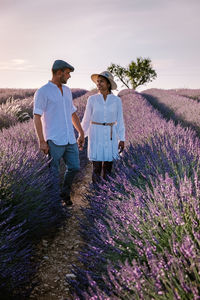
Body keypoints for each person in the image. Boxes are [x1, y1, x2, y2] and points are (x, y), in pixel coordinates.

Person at [33, 59, 84, 206]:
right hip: (54, 139)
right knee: (53, 174)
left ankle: (64, 193)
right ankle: (54, 203)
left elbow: (72, 113)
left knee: (75, 167)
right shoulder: (42, 91)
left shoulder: (67, 91)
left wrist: (80, 132)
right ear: (59, 72)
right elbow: (36, 117)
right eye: (67, 73)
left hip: (70, 138)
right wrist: (42, 141)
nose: (69, 76)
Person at [81, 71, 125, 183]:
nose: (98, 84)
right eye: (98, 82)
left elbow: (120, 120)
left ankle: (106, 194)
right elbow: (86, 119)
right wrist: (81, 135)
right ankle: (95, 193)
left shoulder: (116, 100)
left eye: (101, 81)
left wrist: (122, 139)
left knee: (108, 167)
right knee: (96, 166)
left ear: (108, 84)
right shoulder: (92, 99)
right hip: (95, 133)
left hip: (111, 133)